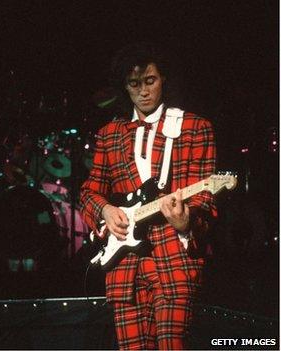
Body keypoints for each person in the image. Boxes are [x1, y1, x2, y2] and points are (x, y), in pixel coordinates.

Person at [80, 43, 217, 349]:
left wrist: (186, 223)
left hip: (174, 260)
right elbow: (89, 192)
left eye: (150, 81)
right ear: (125, 86)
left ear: (163, 79)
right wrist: (104, 211)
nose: (143, 91)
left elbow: (205, 198)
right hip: (123, 269)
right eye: (134, 83)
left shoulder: (195, 128)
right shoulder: (109, 134)